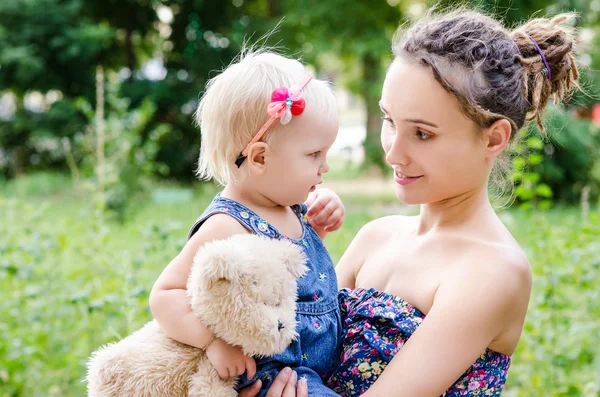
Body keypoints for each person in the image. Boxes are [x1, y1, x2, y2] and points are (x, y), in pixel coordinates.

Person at [241, 8, 579, 397]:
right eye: (389, 121)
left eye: (422, 134)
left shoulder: (493, 270)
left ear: (493, 138)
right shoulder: (375, 237)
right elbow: (292, 339)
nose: (393, 153)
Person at [149, 49, 346, 396]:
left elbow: (291, 283)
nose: (324, 166)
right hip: (276, 375)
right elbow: (165, 295)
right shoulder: (228, 225)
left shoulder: (289, 206)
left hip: (317, 365)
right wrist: (213, 342)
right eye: (314, 154)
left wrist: (318, 230)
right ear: (259, 158)